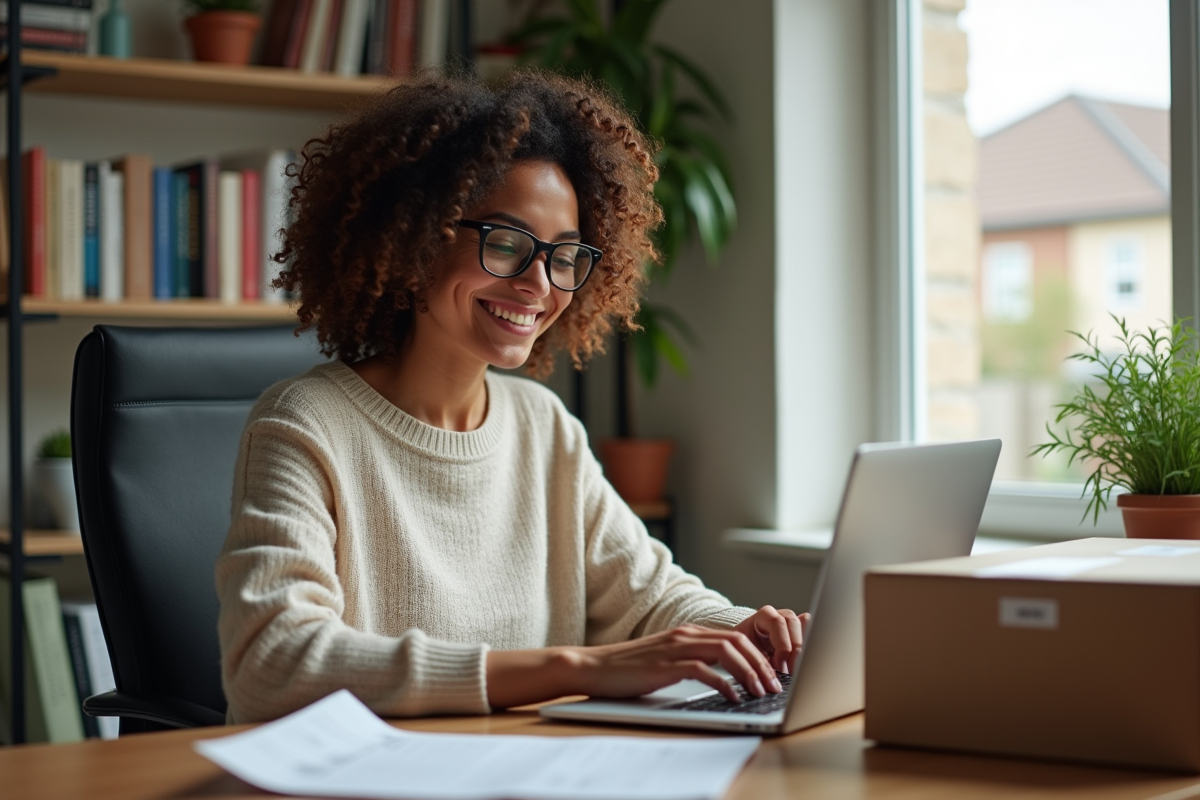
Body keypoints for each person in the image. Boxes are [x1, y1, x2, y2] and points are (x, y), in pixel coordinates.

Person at [216, 70, 808, 724]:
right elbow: (271, 662)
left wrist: (747, 633)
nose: (539, 284)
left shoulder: (541, 425)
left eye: (564, 257)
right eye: (505, 243)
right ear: (416, 235)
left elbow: (651, 598)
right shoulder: (306, 423)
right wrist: (574, 668)